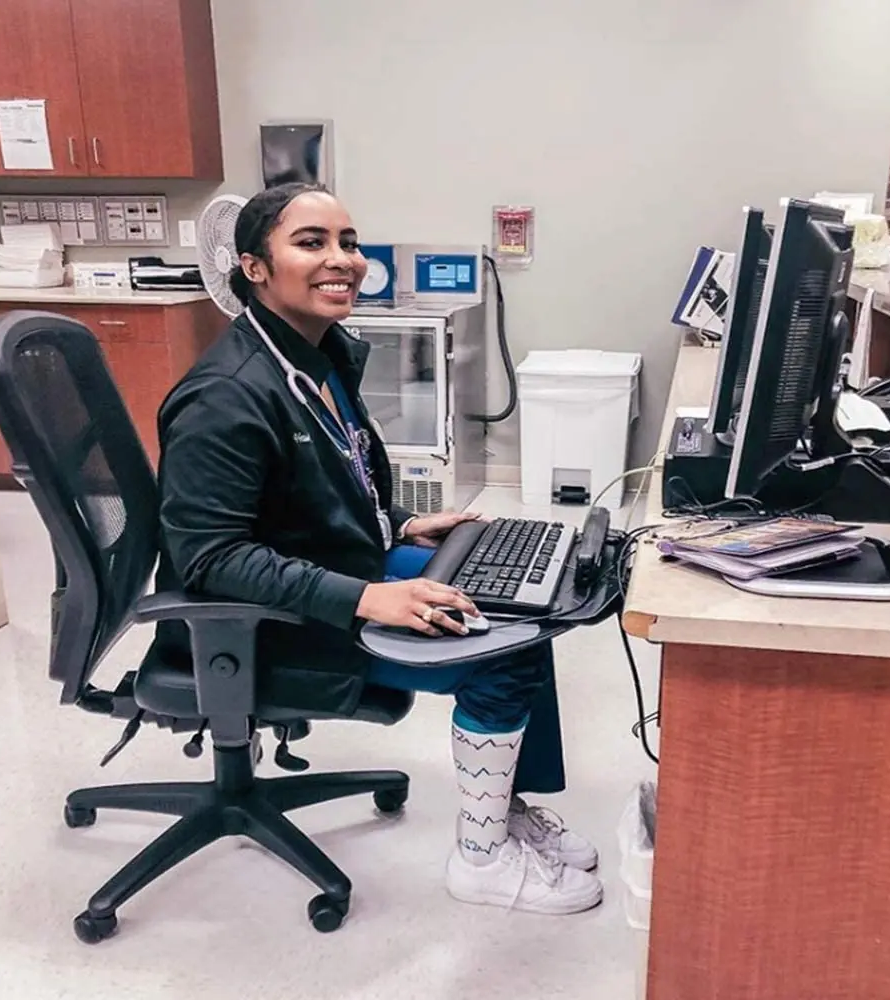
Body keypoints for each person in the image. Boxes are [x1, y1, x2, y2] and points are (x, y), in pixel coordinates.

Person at [151, 182, 602, 915]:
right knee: (499, 650)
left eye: (349, 242)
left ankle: (504, 811)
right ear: (253, 268)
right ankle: (482, 860)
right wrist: (367, 597)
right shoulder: (225, 398)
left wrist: (398, 525)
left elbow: (319, 487)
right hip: (264, 620)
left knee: (525, 609)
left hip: (330, 570)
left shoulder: (317, 357)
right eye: (312, 243)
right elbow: (212, 559)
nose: (343, 260)